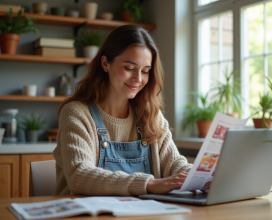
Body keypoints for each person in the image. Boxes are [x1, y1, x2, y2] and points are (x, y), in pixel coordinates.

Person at [53, 25, 193, 196]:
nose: (138, 79)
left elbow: (174, 165)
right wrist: (148, 183)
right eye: (129, 68)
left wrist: (200, 175)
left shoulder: (150, 114)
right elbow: (79, 175)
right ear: (105, 63)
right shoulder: (76, 113)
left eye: (145, 71)